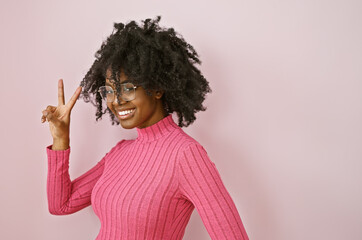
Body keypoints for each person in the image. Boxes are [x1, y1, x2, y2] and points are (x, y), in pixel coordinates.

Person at [41, 16, 249, 240]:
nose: (116, 100)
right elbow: (61, 205)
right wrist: (61, 140)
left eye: (127, 88)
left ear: (157, 88)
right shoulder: (120, 153)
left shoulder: (186, 155)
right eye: (110, 91)